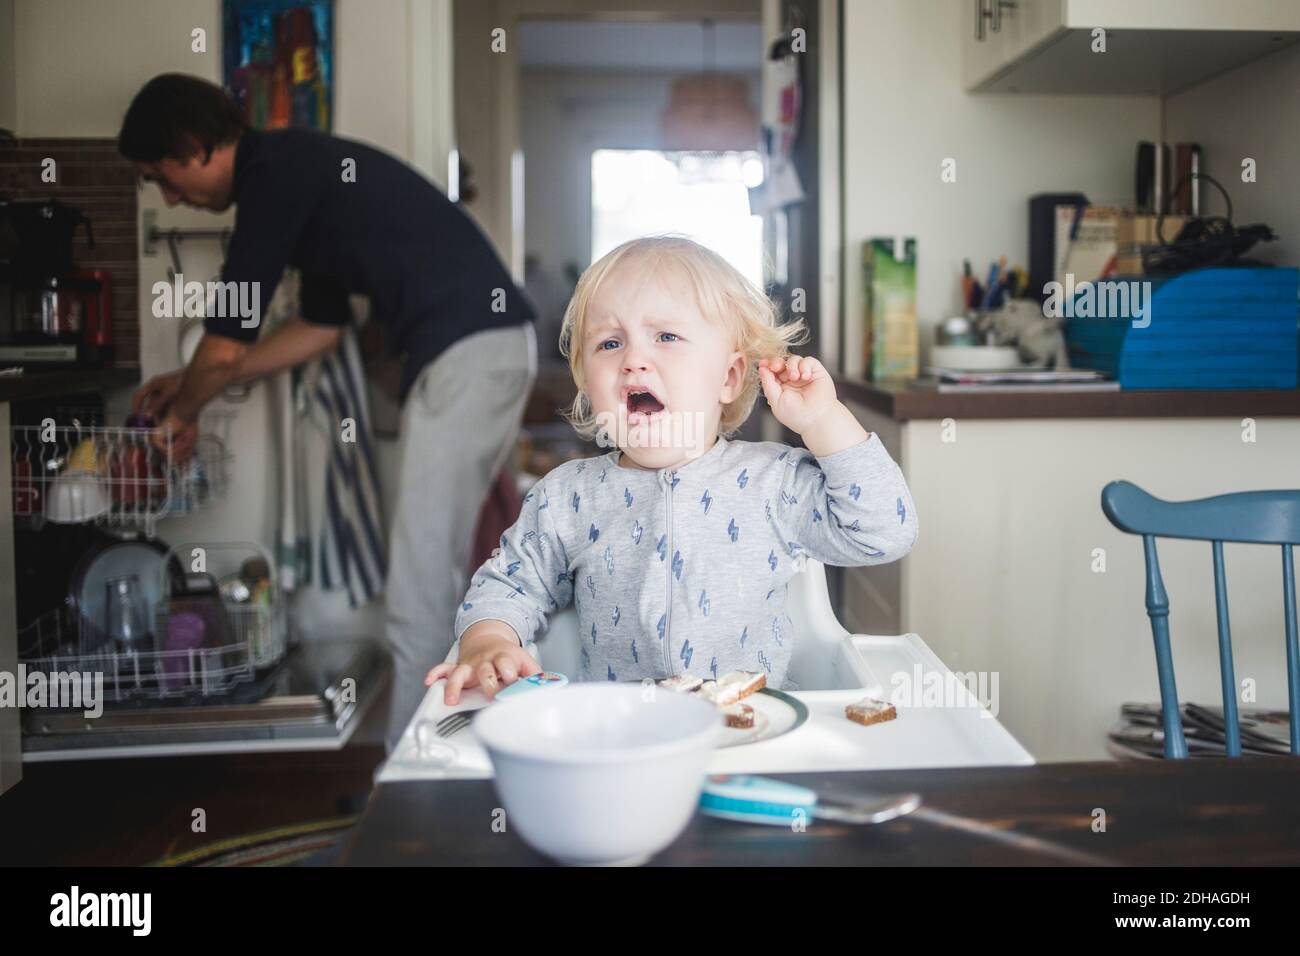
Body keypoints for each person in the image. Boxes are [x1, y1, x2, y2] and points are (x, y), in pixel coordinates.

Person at [118, 74, 537, 749]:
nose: (169, 197)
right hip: (479, 351)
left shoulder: (271, 177)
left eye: (160, 176)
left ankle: (410, 793)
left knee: (418, 591)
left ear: (193, 146)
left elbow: (225, 347)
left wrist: (186, 410)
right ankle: (452, 764)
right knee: (438, 577)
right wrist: (188, 382)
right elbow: (320, 328)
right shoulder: (298, 173)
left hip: (470, 353)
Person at [425, 236, 917, 705]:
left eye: (666, 336)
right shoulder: (567, 498)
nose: (635, 359)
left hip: (752, 729)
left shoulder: (773, 483)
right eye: (610, 344)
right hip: (621, 741)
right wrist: (487, 641)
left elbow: (883, 531)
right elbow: (510, 583)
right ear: (586, 381)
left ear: (728, 377)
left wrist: (823, 422)